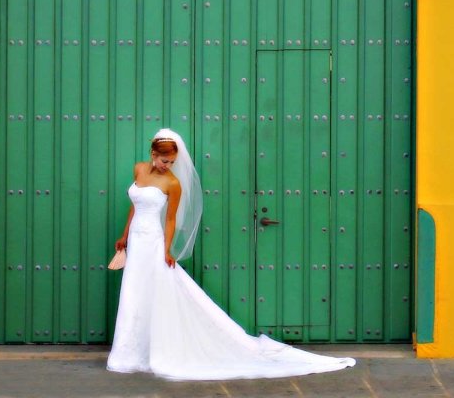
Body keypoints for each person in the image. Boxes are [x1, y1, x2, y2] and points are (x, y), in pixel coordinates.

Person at [106, 128, 356, 381]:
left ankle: (161, 349)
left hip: (153, 242)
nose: (166, 166)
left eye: (171, 162)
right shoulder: (139, 169)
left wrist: (167, 249)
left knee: (158, 290)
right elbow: (134, 207)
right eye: (163, 160)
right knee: (135, 291)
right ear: (153, 154)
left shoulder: (173, 183)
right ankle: (131, 353)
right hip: (136, 241)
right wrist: (125, 236)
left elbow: (170, 220)